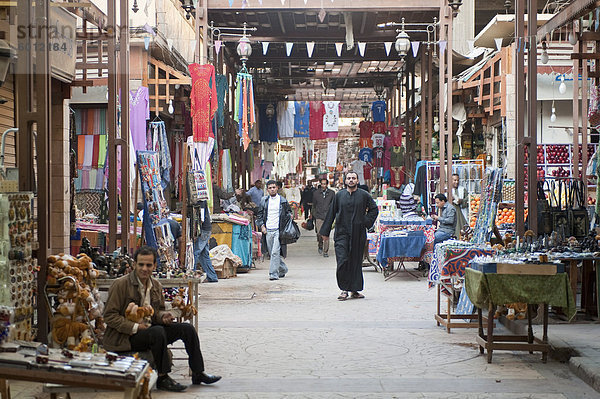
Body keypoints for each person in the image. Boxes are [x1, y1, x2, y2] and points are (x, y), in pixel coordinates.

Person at [103, 246, 221, 392]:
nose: (144, 269)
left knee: (187, 329)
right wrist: (136, 327)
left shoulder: (156, 285)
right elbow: (109, 316)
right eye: (141, 264)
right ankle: (163, 377)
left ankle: (198, 372)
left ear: (154, 266)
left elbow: (156, 312)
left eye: (148, 265)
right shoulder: (121, 284)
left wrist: (163, 317)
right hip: (125, 337)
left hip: (149, 331)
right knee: (157, 332)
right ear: (134, 265)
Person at [319, 171, 379, 301]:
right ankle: (344, 289)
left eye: (353, 178)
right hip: (342, 233)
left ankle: (355, 290)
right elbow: (331, 213)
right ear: (345, 181)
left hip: (358, 233)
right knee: (342, 260)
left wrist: (365, 221)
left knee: (355, 262)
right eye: (349, 178)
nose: (351, 180)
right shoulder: (339, 196)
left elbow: (374, 209)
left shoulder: (364, 195)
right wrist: (325, 232)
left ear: (357, 181)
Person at [256, 180, 292, 280]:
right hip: (268, 231)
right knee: (272, 253)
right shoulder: (264, 201)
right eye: (270, 188)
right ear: (267, 190)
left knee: (275, 252)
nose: (272, 189)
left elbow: (288, 213)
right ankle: (283, 269)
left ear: (277, 188)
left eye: (274, 187)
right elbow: (259, 215)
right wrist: (262, 226)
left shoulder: (282, 200)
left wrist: (288, 220)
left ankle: (273, 274)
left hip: (278, 230)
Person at [192, 200, 218, 282]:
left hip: (203, 230)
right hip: (205, 229)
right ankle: (212, 276)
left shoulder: (201, 200)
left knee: (195, 252)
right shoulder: (203, 199)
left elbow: (201, 218)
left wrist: (196, 232)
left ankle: (191, 275)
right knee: (204, 255)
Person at [311, 177, 335, 257]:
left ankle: (325, 251)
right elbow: (314, 205)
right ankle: (320, 244)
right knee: (319, 233)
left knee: (326, 234)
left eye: (325, 184)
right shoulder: (316, 193)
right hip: (318, 216)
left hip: (328, 216)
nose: (323, 185)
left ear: (327, 184)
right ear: (320, 184)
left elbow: (334, 204)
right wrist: (313, 214)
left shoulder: (332, 193)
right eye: (322, 184)